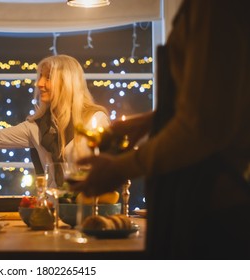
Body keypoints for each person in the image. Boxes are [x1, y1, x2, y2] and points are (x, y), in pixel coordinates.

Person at [72, 0, 250, 259]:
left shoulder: (212, 7)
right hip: (197, 201)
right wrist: (150, 121)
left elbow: (201, 128)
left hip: (209, 208)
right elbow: (215, 101)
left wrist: (122, 167)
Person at [0, 54, 110, 187]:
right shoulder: (36, 126)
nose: (39, 83)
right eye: (40, 77)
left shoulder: (95, 120)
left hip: (89, 205)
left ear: (67, 82)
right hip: (52, 207)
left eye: (48, 77)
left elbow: (109, 169)